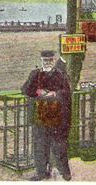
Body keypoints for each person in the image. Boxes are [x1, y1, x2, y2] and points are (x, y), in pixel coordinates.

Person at [21, 50, 72, 181]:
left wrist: (54, 94)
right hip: (40, 117)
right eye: (45, 61)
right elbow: (25, 89)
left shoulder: (61, 75)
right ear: (41, 61)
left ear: (54, 61)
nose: (48, 63)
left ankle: (65, 172)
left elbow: (67, 92)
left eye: (50, 60)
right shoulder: (35, 74)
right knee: (40, 146)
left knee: (60, 146)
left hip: (57, 117)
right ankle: (41, 173)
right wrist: (38, 91)